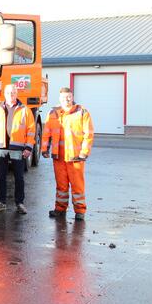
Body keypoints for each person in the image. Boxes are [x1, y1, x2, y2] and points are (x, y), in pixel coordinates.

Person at [41, 87, 94, 221]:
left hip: (75, 157)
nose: (67, 100)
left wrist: (84, 153)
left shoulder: (82, 112)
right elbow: (46, 132)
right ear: (60, 98)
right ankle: (60, 209)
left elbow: (89, 134)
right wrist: (44, 149)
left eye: (69, 97)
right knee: (61, 186)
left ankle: (80, 211)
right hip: (58, 157)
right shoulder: (53, 113)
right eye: (64, 97)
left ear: (73, 97)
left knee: (77, 186)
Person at [0, 84, 36, 215]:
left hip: (18, 148)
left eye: (13, 93)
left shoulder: (25, 110)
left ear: (17, 94)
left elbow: (31, 130)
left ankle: (20, 203)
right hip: (1, 147)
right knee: (0, 176)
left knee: (19, 177)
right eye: (8, 93)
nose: (11, 95)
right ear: (4, 94)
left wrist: (28, 147)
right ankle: (1, 202)